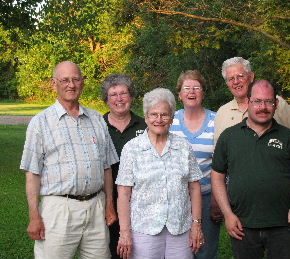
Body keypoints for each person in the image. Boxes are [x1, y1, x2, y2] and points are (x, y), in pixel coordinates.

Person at [20, 61, 119, 259]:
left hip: (96, 208)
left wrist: (109, 204)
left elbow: (107, 167)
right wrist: (34, 216)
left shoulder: (97, 119)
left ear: (83, 82)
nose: (71, 85)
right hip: (58, 210)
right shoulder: (40, 123)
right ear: (54, 83)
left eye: (75, 79)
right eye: (64, 80)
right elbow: (32, 173)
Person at [211, 80, 290, 259]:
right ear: (249, 102)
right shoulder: (229, 137)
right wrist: (227, 214)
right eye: (258, 101)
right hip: (242, 225)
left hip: (283, 225)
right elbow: (217, 175)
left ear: (276, 104)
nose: (263, 107)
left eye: (269, 102)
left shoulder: (287, 136)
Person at [116, 88, 204, 259]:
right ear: (146, 116)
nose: (159, 119)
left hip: (180, 227)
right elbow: (124, 193)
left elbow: (194, 188)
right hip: (144, 230)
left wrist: (196, 225)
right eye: (153, 114)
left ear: (172, 117)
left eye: (164, 115)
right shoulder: (132, 148)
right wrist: (125, 232)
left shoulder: (183, 147)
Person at [170, 70, 222, 259]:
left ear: (203, 92)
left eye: (196, 88)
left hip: (208, 198)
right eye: (187, 88)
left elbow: (223, 163)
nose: (192, 92)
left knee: (204, 251)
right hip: (176, 200)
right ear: (179, 93)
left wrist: (218, 198)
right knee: (178, 252)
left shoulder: (217, 120)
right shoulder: (169, 120)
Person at [101, 74, 146, 259]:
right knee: (110, 250)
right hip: (105, 201)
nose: (119, 99)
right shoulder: (98, 125)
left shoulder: (146, 125)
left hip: (139, 202)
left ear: (131, 96)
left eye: (123, 93)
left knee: (138, 249)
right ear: (106, 99)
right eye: (113, 95)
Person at [214, 57, 290, 145]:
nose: (236, 82)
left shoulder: (277, 104)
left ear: (251, 77)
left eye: (240, 76)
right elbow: (218, 153)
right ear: (227, 83)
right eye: (231, 79)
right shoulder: (222, 113)